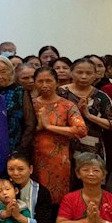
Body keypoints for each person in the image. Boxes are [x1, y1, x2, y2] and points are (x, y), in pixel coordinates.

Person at [30, 67, 87, 204]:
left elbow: (81, 130)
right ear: (35, 83)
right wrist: (38, 128)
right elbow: (21, 131)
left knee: (57, 198)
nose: (44, 85)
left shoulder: (67, 105)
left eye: (49, 81)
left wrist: (49, 127)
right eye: (40, 81)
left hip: (59, 159)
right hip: (33, 156)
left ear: (56, 82)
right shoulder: (30, 104)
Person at [58, 58, 112, 162]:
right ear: (71, 73)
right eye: (79, 72)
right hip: (62, 145)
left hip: (91, 148)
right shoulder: (59, 93)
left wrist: (89, 116)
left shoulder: (101, 97)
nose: (84, 76)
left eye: (88, 73)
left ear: (95, 75)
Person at [3, 154, 56, 223]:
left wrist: (19, 217)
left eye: (20, 169)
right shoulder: (3, 187)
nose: (15, 173)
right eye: (11, 169)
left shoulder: (41, 192)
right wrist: (4, 214)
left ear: (30, 169)